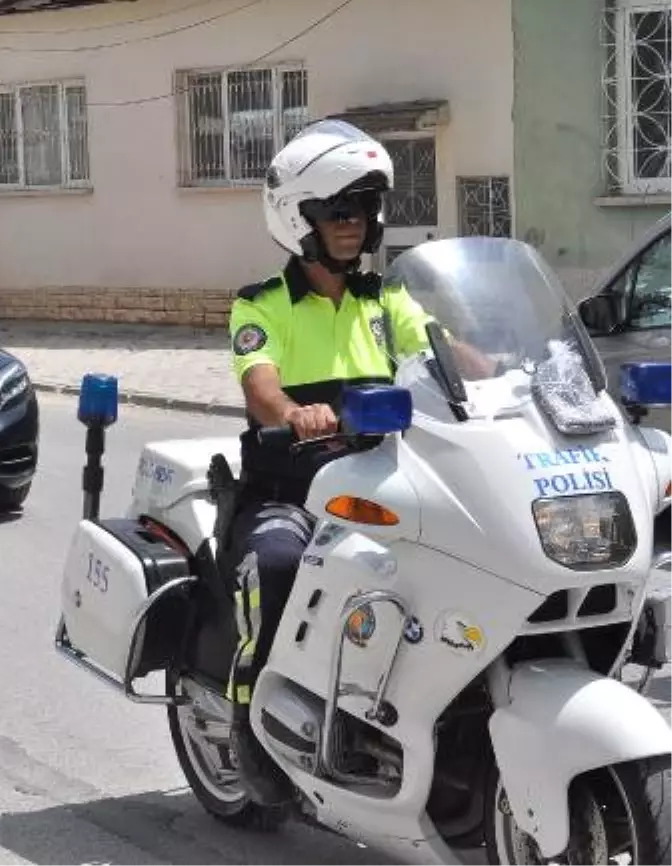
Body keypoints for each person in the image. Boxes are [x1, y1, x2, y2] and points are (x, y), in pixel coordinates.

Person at [223, 120, 494, 813]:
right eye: (338, 210)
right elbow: (261, 387)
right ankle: (250, 712)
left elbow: (444, 352)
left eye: (365, 209)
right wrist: (294, 414)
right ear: (300, 218)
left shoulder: (385, 299)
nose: (355, 223)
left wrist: (500, 369)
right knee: (279, 563)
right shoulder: (262, 303)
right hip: (293, 486)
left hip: (381, 481)